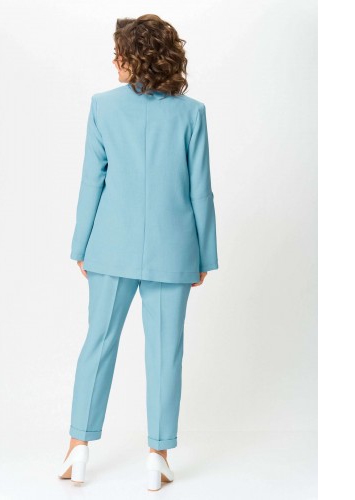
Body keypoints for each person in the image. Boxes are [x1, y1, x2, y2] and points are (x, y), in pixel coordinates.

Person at [58, 14, 219, 491]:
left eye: (120, 53)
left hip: (110, 245)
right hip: (175, 248)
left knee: (98, 342)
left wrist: (81, 245)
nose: (114, 61)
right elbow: (200, 190)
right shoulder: (192, 113)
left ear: (136, 58)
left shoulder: (102, 107)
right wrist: (205, 254)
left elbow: (92, 181)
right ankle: (158, 458)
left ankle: (78, 449)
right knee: (166, 352)